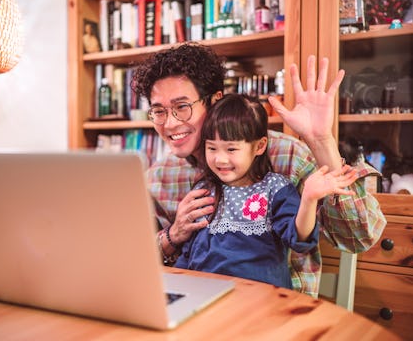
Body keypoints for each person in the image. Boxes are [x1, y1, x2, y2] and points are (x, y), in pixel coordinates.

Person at [132, 43, 386, 297]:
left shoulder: (285, 155)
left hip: (278, 311)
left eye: (182, 107)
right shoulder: (159, 177)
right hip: (196, 314)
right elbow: (131, 264)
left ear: (215, 101)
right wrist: (173, 236)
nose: (170, 123)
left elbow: (358, 237)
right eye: (159, 111)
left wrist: (321, 141)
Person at [173, 94, 359, 288]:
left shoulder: (276, 189)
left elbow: (299, 238)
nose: (220, 159)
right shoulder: (203, 190)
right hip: (203, 297)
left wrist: (309, 199)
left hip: (261, 301)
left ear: (259, 146)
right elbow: (189, 253)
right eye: (212, 148)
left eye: (231, 149)